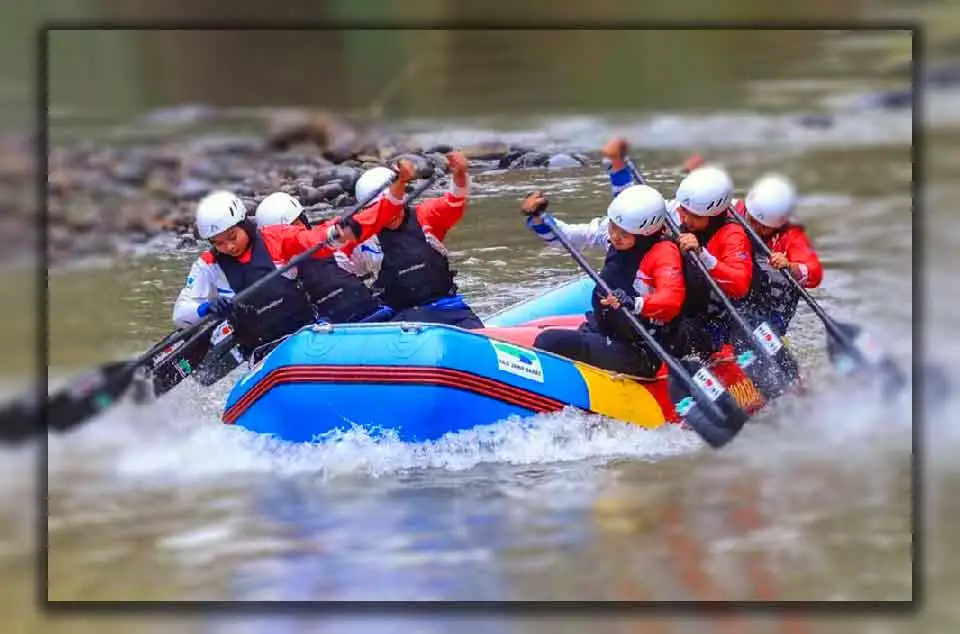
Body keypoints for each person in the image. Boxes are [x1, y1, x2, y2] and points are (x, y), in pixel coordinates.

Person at [172, 189, 365, 363]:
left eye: (232, 237)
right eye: (218, 243)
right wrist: (207, 308)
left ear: (244, 223)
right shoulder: (207, 265)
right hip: (261, 353)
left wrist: (335, 230)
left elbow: (309, 238)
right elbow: (180, 314)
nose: (229, 247)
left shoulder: (274, 237)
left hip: (305, 336)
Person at [520, 185, 686, 378]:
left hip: (641, 349)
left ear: (646, 234)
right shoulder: (617, 233)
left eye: (623, 234)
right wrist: (539, 219)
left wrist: (635, 303)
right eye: (613, 228)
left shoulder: (664, 254)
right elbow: (572, 237)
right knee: (549, 341)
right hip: (604, 329)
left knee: (548, 342)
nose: (615, 236)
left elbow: (671, 300)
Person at [332, 152, 483, 329]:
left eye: (390, 206)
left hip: (447, 308)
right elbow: (332, 263)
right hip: (400, 318)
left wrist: (459, 174)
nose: (389, 215)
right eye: (380, 210)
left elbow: (455, 200)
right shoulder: (360, 239)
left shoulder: (425, 215)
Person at [253, 192, 393, 324]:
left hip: (373, 315)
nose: (295, 234)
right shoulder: (279, 271)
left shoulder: (334, 246)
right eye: (288, 231)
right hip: (330, 333)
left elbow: (374, 265)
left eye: (297, 225)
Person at [732, 173, 824, 336]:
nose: (757, 229)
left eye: (765, 226)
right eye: (752, 221)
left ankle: (772, 339)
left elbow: (814, 273)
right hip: (738, 294)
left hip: (772, 309)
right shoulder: (734, 211)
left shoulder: (792, 235)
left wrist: (790, 266)